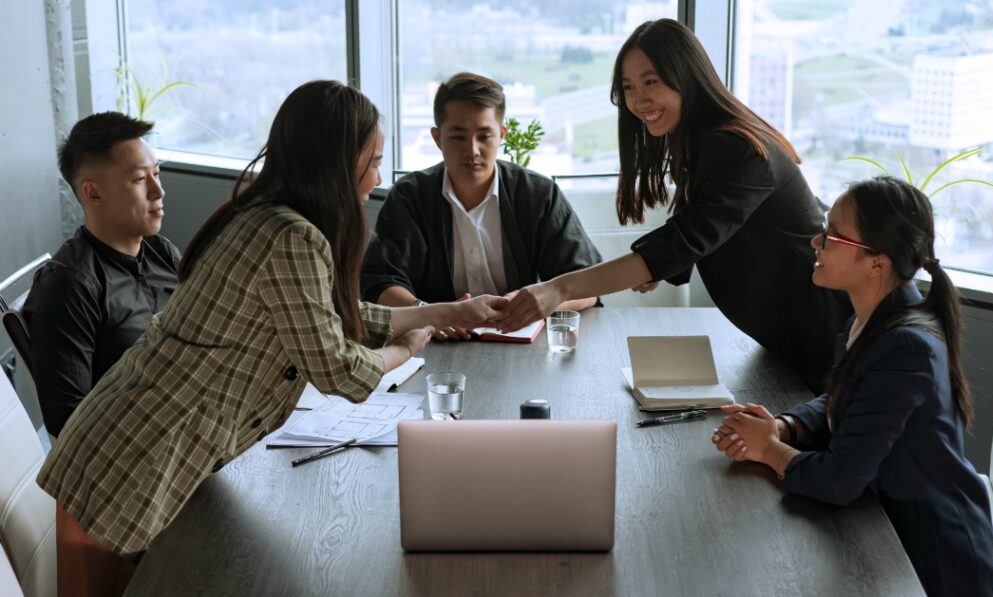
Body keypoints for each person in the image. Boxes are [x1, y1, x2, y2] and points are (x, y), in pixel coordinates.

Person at [36, 81, 506, 596]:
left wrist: (443, 312)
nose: (377, 177)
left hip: (140, 456)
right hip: (125, 466)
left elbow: (331, 315)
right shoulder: (292, 236)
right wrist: (408, 349)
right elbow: (339, 370)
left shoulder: (268, 217)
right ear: (339, 162)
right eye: (373, 161)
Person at [496, 20, 851, 393]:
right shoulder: (704, 143)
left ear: (687, 75)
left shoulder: (735, 148)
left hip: (827, 338)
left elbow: (683, 241)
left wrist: (557, 289)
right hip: (787, 337)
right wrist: (659, 267)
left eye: (651, 82)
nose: (638, 100)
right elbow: (698, 228)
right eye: (629, 88)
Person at [711, 176, 993, 596]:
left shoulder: (906, 346)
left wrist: (768, 450)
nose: (817, 242)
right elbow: (844, 398)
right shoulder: (869, 321)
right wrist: (785, 426)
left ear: (876, 263)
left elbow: (839, 481)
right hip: (887, 534)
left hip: (933, 564)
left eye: (832, 236)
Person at [361, 72, 601, 340]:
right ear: (437, 138)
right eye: (458, 137)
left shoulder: (537, 194)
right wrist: (430, 314)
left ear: (501, 135)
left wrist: (535, 304)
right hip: (433, 344)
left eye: (484, 136)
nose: (472, 150)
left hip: (524, 347)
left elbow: (588, 284)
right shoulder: (410, 196)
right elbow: (380, 283)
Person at [22, 112, 180, 438]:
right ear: (93, 194)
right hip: (133, 459)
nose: (158, 191)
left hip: (191, 430)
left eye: (157, 174)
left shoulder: (162, 253)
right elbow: (69, 420)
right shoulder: (70, 286)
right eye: (139, 180)